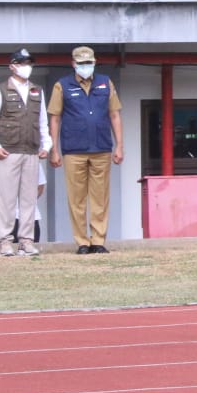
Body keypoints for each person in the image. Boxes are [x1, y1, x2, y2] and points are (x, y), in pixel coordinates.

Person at [48, 45, 124, 255]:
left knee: (100, 197)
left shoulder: (105, 83)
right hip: (74, 149)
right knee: (76, 198)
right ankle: (82, 241)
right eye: (81, 63)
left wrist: (120, 145)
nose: (85, 67)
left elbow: (115, 115)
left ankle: (98, 240)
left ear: (95, 62)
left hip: (101, 147)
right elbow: (55, 118)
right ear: (73, 64)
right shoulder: (61, 86)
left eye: (88, 63)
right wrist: (54, 149)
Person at [0, 47, 51, 257]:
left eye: (29, 63)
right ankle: (5, 241)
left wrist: (46, 144)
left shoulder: (37, 90)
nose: (26, 67)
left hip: (31, 150)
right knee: (6, 198)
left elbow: (43, 122)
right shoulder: (0, 90)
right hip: (9, 150)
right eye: (22, 63)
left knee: (29, 199)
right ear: (12, 66)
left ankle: (26, 241)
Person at [0, 160, 46, 244]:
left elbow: (40, 186)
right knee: (9, 251)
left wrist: (28, 201)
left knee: (31, 251)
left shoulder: (34, 162)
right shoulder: (3, 163)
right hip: (9, 218)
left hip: (31, 216)